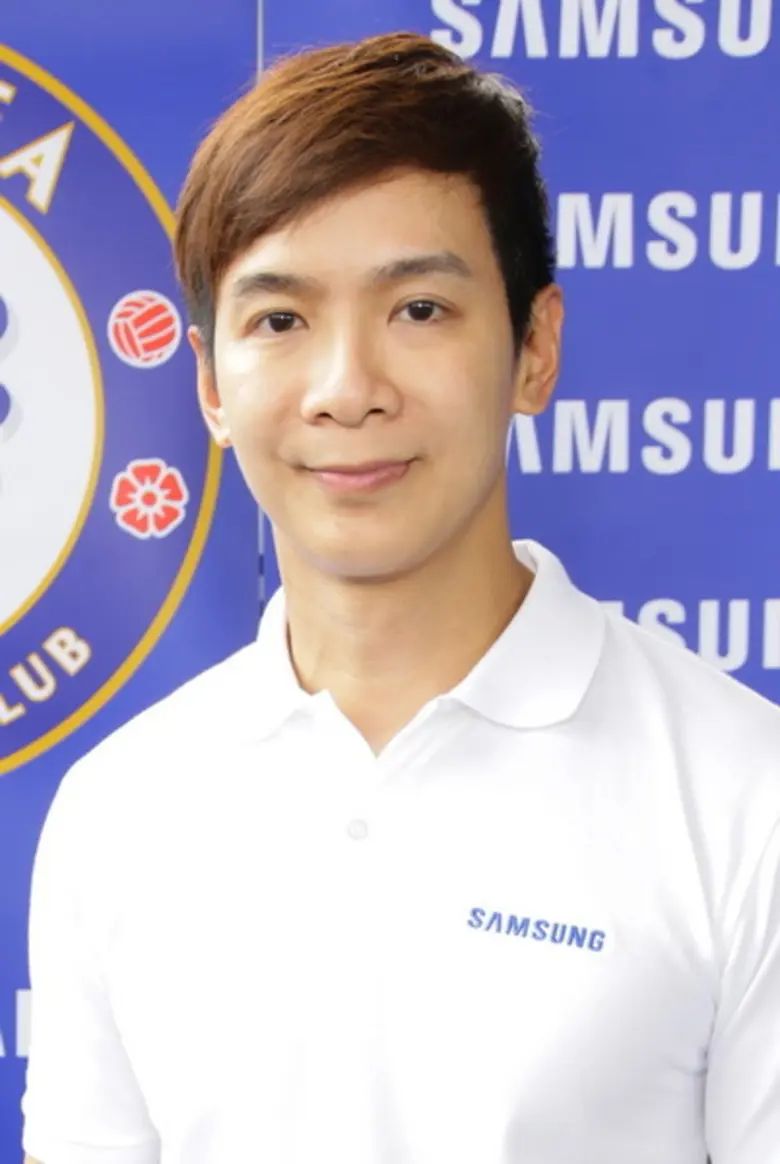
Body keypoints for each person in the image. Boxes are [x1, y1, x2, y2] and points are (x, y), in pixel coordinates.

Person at [21, 31, 780, 1164]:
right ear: (211, 384)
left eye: (418, 309)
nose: (348, 390)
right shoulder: (118, 813)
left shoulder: (741, 796)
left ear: (535, 349)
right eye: (281, 321)